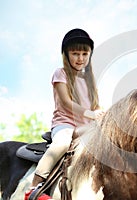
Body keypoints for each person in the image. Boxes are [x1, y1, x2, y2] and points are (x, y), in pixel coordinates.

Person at [25, 28, 102, 200]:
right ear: (66, 54)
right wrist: (91, 114)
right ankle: (33, 188)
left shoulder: (90, 80)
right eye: (75, 53)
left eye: (84, 53)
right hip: (65, 123)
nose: (80, 58)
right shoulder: (60, 74)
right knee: (62, 144)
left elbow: (96, 105)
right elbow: (67, 104)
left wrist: (102, 114)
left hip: (86, 127)